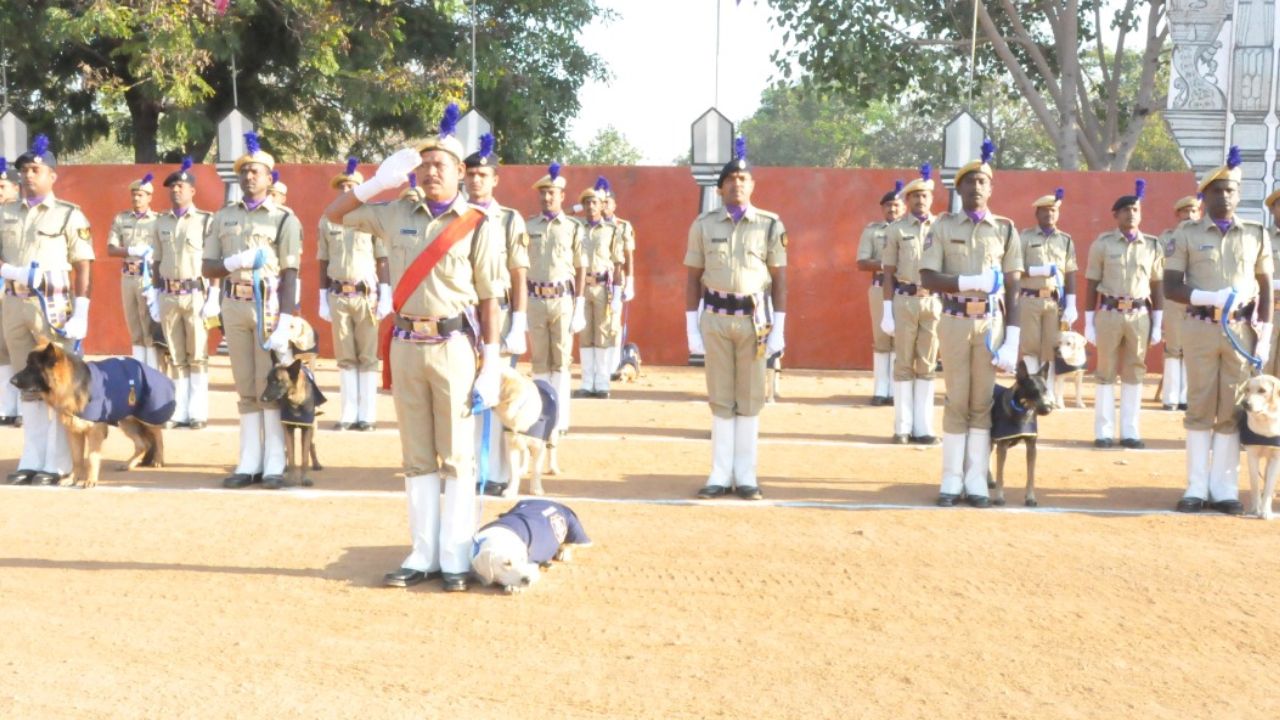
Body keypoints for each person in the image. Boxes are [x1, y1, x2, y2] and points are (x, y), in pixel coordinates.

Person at [323, 104, 507, 592]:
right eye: (422, 164)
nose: (429, 172)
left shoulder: (478, 223)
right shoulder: (396, 212)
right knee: (417, 455)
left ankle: (455, 555)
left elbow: (490, 297)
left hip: (453, 346)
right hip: (406, 344)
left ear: (461, 172)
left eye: (439, 164)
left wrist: (492, 361)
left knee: (457, 455)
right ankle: (423, 552)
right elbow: (334, 214)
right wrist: (375, 183)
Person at [1165, 146, 1273, 515]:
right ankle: (1195, 486)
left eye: (1230, 190)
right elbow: (1171, 286)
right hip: (1200, 327)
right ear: (1205, 196)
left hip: (1241, 331)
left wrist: (1265, 335)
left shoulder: (1255, 234)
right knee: (1198, 407)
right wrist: (1209, 296)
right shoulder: (1186, 233)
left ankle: (1224, 488)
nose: (1224, 196)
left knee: (1231, 409)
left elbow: (1265, 286)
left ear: (1238, 195)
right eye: (1217, 190)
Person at [919, 139, 1022, 508]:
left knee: (981, 401)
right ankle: (951, 478)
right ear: (958, 188)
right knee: (956, 399)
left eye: (983, 182)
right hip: (954, 320)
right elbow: (928, 277)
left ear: (991, 189)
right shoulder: (942, 227)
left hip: (991, 325)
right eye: (970, 182)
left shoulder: (1006, 230)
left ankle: (976, 478)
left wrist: (1013, 337)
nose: (976, 187)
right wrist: (968, 282)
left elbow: (1013, 285)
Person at [685, 136, 786, 500]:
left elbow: (780, 278)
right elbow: (692, 277)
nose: (737, 184)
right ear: (720, 188)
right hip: (715, 317)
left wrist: (780, 327)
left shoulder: (770, 225)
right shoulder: (703, 225)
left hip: (754, 321)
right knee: (720, 396)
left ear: (752, 185)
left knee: (751, 397)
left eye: (743, 179)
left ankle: (745, 474)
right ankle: (719, 472)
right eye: (730, 180)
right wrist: (691, 326)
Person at [201, 131, 303, 490]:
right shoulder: (223, 216)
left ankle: (275, 461)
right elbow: (207, 267)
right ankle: (249, 461)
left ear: (269, 178)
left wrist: (286, 319)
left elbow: (291, 272)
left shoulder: (284, 219)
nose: (248, 177)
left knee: (269, 385)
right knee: (245, 385)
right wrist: (233, 262)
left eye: (255, 172)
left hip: (269, 307)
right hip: (233, 304)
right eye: (244, 172)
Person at [0, 134, 94, 485]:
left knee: (57, 384)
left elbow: (83, 263)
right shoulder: (6, 213)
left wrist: (82, 309)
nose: (28, 175)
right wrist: (11, 271)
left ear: (52, 175)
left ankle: (57, 460)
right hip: (14, 304)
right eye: (24, 170)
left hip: (52, 307)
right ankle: (32, 456)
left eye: (35, 170)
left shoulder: (69, 214)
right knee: (28, 384)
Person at [463, 133, 531, 496]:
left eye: (483, 174)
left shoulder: (508, 219)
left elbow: (519, 273)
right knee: (464, 390)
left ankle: (500, 471)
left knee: (499, 394)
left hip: (499, 316)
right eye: (471, 174)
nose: (476, 180)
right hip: (462, 315)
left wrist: (519, 322)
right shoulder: (454, 215)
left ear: (495, 179)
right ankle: (471, 466)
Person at [1084, 180, 1163, 449]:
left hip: (1139, 315)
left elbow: (1157, 285)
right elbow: (1092, 283)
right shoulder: (1102, 244)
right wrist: (1088, 322)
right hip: (1109, 312)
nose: (1131, 214)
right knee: (1105, 371)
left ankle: (1130, 431)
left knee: (1135, 371)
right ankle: (1103, 431)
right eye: (1126, 210)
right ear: (1115, 215)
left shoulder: (1152, 245)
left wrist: (1158, 323)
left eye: (1135, 209)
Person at [151, 157, 218, 429]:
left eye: (180, 186)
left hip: (195, 294)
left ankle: (197, 412)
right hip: (168, 294)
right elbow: (156, 260)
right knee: (175, 355)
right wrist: (154, 292)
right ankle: (178, 411)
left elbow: (213, 259)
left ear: (192, 191)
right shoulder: (160, 222)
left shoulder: (206, 221)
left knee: (197, 354)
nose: (176, 190)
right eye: (172, 187)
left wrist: (214, 295)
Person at [318, 157, 383, 431]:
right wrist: (321, 296)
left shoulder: (371, 218)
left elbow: (382, 257)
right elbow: (322, 259)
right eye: (343, 186)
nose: (347, 190)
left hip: (365, 294)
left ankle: (367, 414)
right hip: (338, 294)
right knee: (345, 356)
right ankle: (348, 412)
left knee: (367, 355)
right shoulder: (327, 220)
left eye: (352, 186)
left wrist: (386, 292)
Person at [880, 162, 941, 444]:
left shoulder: (942, 228)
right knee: (903, 363)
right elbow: (888, 272)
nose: (919, 200)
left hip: (933, 302)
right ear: (908, 200)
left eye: (924, 195)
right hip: (904, 300)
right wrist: (887, 310)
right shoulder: (896, 230)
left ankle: (924, 427)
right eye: (914, 196)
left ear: (931, 198)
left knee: (927, 364)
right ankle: (902, 427)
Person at [525, 162, 586, 437]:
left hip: (562, 300)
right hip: (535, 299)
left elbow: (581, 267)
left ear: (562, 196)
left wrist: (580, 304)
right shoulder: (528, 226)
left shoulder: (573, 227)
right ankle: (541, 416)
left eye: (552, 193)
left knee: (561, 360)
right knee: (539, 359)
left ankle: (559, 418)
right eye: (543, 193)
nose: (547, 197)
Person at [1019, 188, 1078, 405]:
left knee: (1051, 349)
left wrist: (1071, 304)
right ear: (1037, 213)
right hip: (1030, 298)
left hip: (1054, 302)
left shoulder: (1065, 241)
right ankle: (1031, 391)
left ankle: (1048, 392)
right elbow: (1015, 268)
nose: (1049, 214)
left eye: (1053, 210)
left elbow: (1070, 273)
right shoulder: (1025, 237)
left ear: (1058, 213)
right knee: (1030, 347)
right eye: (1044, 210)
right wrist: (1038, 271)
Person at [574, 178, 625, 399]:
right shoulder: (576, 228)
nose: (590, 206)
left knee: (603, 334)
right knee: (585, 334)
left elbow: (618, 263)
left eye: (594, 202)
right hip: (582, 287)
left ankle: (602, 383)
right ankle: (587, 382)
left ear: (602, 205)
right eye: (586, 203)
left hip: (604, 287)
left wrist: (618, 293)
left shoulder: (612, 230)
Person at [857, 181, 904, 405]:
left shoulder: (910, 231)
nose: (892, 209)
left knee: (900, 339)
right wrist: (890, 264)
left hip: (904, 290)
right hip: (879, 287)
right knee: (881, 338)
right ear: (882, 208)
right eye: (887, 205)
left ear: (904, 207)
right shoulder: (872, 231)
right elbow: (862, 262)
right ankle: (880, 389)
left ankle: (895, 390)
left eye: (896, 205)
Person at [106, 171, 159, 368]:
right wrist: (131, 250)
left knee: (149, 325)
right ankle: (138, 368)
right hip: (128, 276)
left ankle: (151, 369)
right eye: (134, 194)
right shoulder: (121, 219)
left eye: (141, 195)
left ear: (149, 197)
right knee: (134, 324)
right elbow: (111, 249)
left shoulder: (158, 220)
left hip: (148, 277)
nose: (136, 198)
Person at [1159, 194, 1201, 409]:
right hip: (1175, 298)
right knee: (1174, 347)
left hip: (1198, 297)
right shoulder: (1167, 238)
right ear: (1178, 214)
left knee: (1192, 348)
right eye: (1186, 211)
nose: (1190, 215)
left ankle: (1186, 397)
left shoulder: (1204, 236)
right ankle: (1171, 397)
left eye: (1194, 211)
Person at [603, 186, 635, 380]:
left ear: (615, 205)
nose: (604, 205)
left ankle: (613, 364)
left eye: (607, 202)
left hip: (615, 280)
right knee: (597, 325)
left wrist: (630, 282)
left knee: (613, 324)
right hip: (594, 281)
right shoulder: (588, 224)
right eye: (601, 201)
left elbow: (628, 256)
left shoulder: (622, 226)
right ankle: (599, 366)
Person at [0, 156, 21, 427]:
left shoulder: (21, 216)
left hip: (18, 291)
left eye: (3, 186)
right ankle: (7, 405)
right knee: (2, 349)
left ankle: (25, 405)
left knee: (20, 347)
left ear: (16, 187)